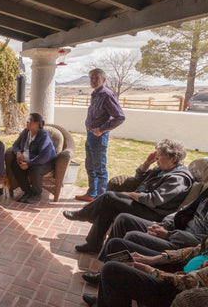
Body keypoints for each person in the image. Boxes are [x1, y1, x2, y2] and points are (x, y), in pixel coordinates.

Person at [63, 139, 194, 253]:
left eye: (160, 155)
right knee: (108, 206)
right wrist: (147, 164)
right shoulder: (163, 169)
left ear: (174, 159)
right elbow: (138, 179)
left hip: (155, 213)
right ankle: (93, 244)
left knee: (109, 198)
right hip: (144, 205)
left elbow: (154, 200)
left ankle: (82, 215)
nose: (157, 158)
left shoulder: (178, 178)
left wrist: (130, 194)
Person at [82, 236, 208, 307]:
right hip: (179, 268)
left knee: (112, 270)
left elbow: (193, 282)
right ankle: (103, 300)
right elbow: (195, 249)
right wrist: (153, 259)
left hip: (181, 288)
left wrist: (152, 271)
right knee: (117, 244)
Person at [96, 187, 208, 259]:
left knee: (132, 237)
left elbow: (203, 243)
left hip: (184, 246)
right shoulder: (206, 193)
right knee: (124, 220)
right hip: (174, 231)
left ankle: (113, 275)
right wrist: (165, 225)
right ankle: (104, 266)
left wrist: (169, 235)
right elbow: (183, 211)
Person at [75, 68, 125, 202]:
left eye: (96, 78)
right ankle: (92, 194)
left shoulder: (107, 95)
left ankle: (100, 202)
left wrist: (101, 129)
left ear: (103, 80)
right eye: (91, 78)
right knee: (90, 166)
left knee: (99, 169)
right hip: (90, 135)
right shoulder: (95, 94)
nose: (93, 80)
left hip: (99, 137)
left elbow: (119, 117)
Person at [11, 113, 56, 204]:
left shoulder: (43, 136)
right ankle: (27, 191)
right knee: (15, 165)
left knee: (35, 169)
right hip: (29, 160)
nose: (27, 122)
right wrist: (18, 153)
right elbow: (15, 145)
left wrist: (28, 164)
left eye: (30, 120)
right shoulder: (26, 132)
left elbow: (44, 156)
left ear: (37, 123)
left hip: (45, 162)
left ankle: (36, 194)